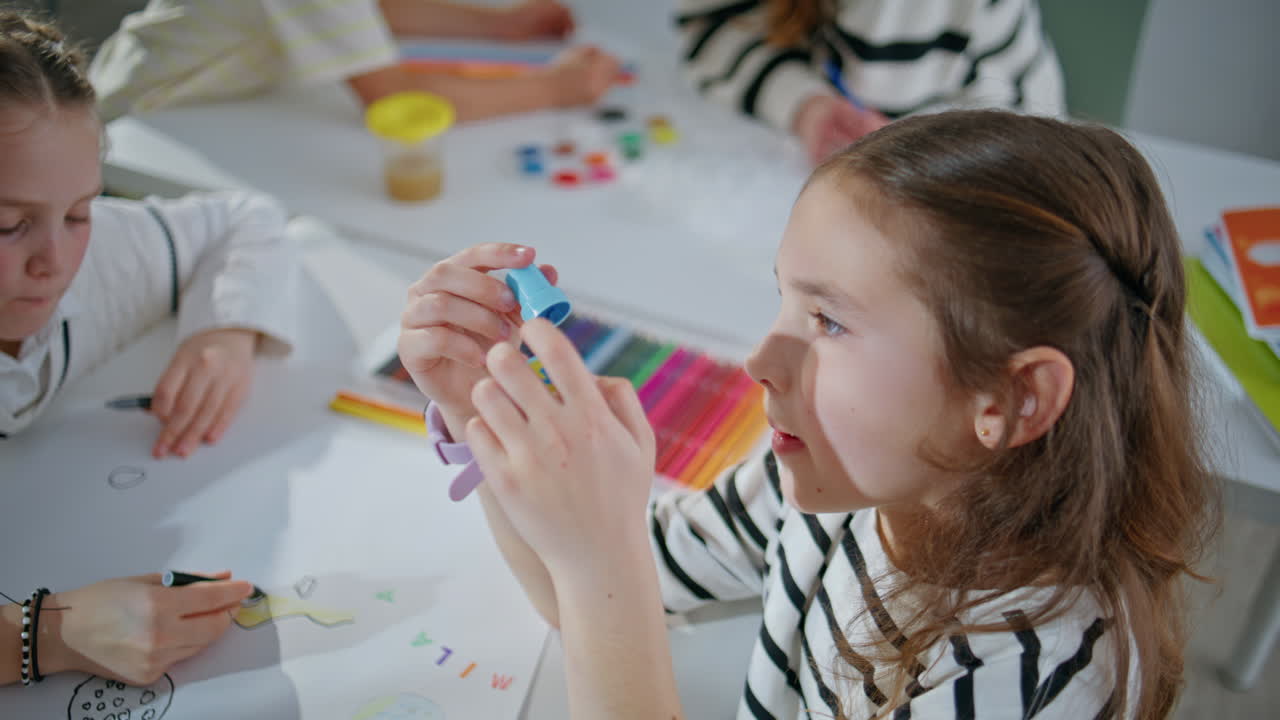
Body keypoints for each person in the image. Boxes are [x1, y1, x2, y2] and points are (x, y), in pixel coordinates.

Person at [397, 110, 1217, 718]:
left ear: (1010, 400)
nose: (760, 361)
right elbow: (572, 600)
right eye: (784, 299)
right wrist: (483, 412)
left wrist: (598, 562)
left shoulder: (1030, 679)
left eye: (828, 322)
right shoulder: (823, 485)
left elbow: (599, 585)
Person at [0, 10, 293, 686]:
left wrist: (223, 327)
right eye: (8, 224)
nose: (57, 260)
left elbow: (247, 219)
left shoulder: (100, 251)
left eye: (79, 211)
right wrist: (49, 634)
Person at [89, 0, 622, 123]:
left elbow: (366, 9)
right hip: (140, 121)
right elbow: (395, 99)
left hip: (216, 106)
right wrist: (556, 89)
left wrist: (497, 27)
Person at [676, 0, 1065, 162]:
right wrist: (805, 106)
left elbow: (1024, 146)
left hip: (998, 153)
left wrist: (907, 149)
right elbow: (714, 26)